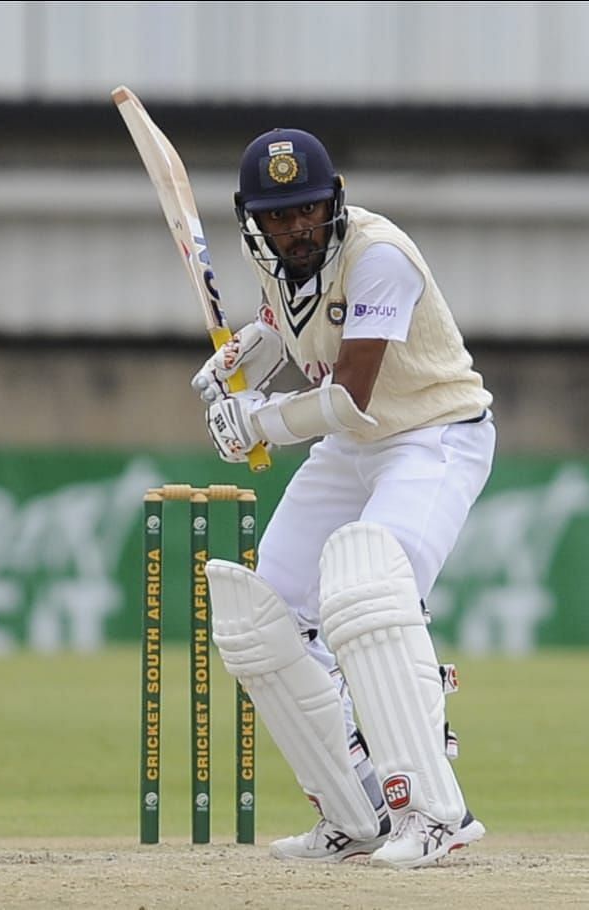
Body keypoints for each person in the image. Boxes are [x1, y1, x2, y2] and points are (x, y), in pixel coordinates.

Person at [190, 127, 494, 869]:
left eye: (305, 211)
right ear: (254, 220)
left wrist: (254, 420)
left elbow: (352, 396)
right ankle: (353, 813)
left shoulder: (379, 257)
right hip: (353, 450)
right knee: (262, 620)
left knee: (368, 591)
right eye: (276, 215)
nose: (293, 228)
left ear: (333, 202)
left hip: (431, 434)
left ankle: (434, 813)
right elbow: (283, 322)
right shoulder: (280, 260)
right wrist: (238, 361)